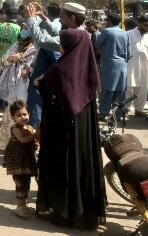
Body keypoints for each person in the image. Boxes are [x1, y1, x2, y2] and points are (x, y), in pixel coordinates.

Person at [34, 28, 106, 230]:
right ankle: (83, 212)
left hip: (61, 131)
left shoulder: (59, 70)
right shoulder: (89, 69)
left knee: (63, 168)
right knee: (81, 166)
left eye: (62, 43)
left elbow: (44, 87)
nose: (60, 46)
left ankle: (64, 212)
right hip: (83, 131)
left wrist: (40, 82)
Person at [0, 29, 36, 151]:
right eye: (21, 42)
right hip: (13, 86)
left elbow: (37, 65)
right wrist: (11, 58)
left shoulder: (35, 49)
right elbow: (3, 61)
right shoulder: (15, 46)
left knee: (24, 114)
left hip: (26, 87)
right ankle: (9, 145)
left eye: (25, 42)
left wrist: (28, 69)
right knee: (12, 115)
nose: (22, 44)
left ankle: (26, 144)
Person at [2, 100, 39, 219]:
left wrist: (36, 138)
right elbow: (23, 140)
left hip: (26, 160)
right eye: (19, 115)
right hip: (17, 162)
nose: (22, 117)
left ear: (29, 114)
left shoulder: (29, 128)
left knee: (26, 182)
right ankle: (19, 207)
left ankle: (24, 205)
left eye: (25, 114)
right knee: (21, 183)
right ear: (13, 118)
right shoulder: (15, 129)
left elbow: (35, 138)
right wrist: (34, 135)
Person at [95, 13, 130, 118]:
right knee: (120, 90)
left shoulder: (107, 31)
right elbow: (128, 52)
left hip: (109, 64)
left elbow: (97, 43)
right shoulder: (125, 33)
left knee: (107, 89)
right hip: (122, 65)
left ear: (109, 21)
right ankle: (118, 114)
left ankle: (104, 112)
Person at [126, 15, 148, 117]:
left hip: (144, 67)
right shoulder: (129, 34)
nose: (147, 27)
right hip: (130, 66)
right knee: (128, 88)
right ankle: (125, 108)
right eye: (145, 25)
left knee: (143, 89)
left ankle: (139, 110)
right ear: (139, 24)